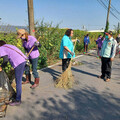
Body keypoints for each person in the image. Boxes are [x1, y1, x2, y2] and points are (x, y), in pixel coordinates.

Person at [0, 40, 26, 106]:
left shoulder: (2, 48)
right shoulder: (9, 46)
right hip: (23, 61)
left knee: (18, 82)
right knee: (18, 81)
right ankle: (17, 97)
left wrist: (1, 66)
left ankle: (18, 100)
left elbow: (5, 60)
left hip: (19, 63)